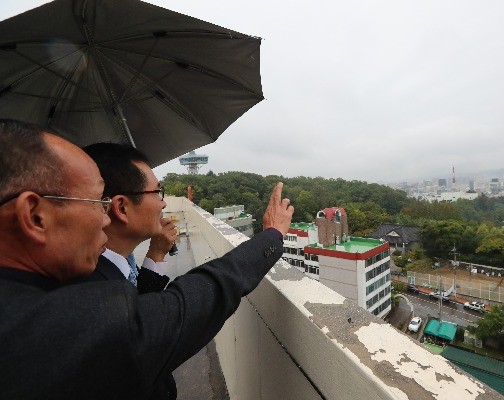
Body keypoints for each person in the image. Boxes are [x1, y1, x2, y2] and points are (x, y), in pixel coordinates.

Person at [0, 119, 293, 400]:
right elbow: (185, 305)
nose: (105, 217)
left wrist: (156, 255)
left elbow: (138, 305)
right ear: (35, 216)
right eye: (96, 201)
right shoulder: (61, 323)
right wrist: (271, 237)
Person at [70, 143, 179, 295]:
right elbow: (141, 315)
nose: (163, 203)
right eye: (157, 192)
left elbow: (140, 303)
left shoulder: (118, 262)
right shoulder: (97, 290)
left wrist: (157, 253)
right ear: (121, 207)